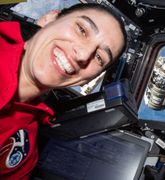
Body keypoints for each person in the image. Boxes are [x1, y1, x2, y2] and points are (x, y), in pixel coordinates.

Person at [0, 3, 126, 179]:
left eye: (99, 58)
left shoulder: (24, 155)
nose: (82, 55)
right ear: (49, 19)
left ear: (89, 79)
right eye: (82, 30)